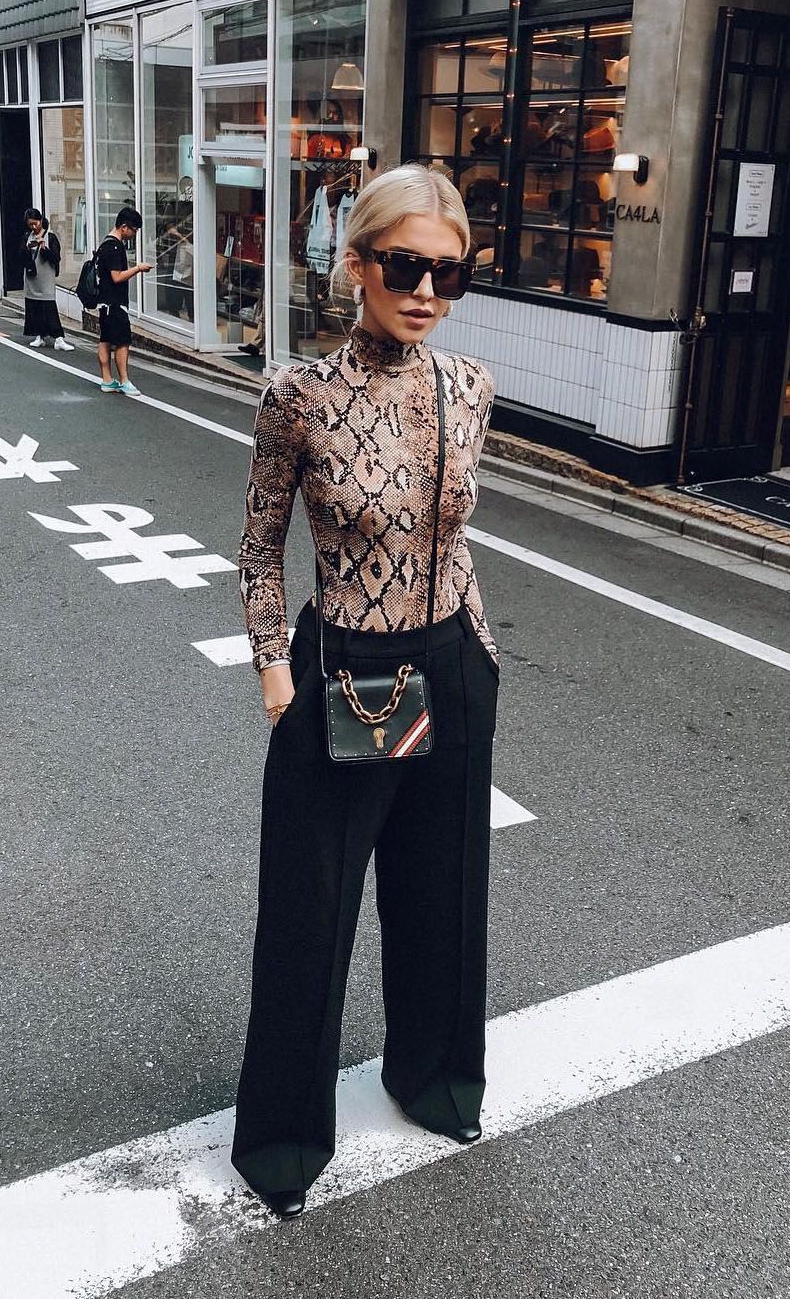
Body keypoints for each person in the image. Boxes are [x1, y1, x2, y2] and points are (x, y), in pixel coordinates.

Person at [232, 164, 499, 1219]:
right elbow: (258, 546)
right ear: (356, 264)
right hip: (344, 664)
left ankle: (435, 1080)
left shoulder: (468, 386)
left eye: (449, 273)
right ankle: (284, 1139)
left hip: (452, 660)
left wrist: (478, 653)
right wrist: (275, 675)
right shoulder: (297, 395)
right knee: (311, 913)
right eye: (404, 266)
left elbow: (455, 533)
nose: (426, 291)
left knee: (444, 896)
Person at [96, 207, 151, 396]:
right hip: (115, 304)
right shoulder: (115, 247)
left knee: (105, 339)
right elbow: (117, 277)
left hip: (104, 303)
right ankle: (124, 380)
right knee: (122, 341)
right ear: (124, 226)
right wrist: (138, 268)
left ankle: (107, 380)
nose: (134, 234)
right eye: (134, 230)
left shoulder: (105, 243)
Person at [21, 209, 73, 351]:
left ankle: (59, 338)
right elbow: (21, 256)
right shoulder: (27, 237)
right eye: (30, 224)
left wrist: (44, 248)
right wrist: (27, 248)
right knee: (34, 306)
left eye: (35, 223)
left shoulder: (51, 237)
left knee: (49, 308)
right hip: (32, 278)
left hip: (46, 278)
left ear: (41, 220)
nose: (33, 227)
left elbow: (56, 258)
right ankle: (40, 336)